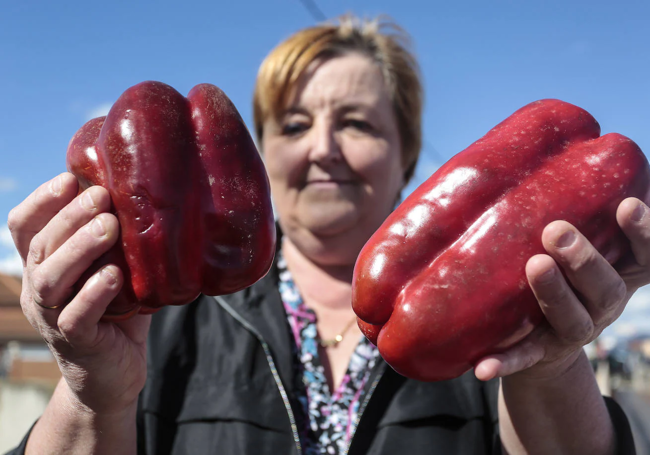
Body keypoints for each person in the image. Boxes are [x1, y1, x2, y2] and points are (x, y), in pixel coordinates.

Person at [7, 15, 644, 455]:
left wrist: (550, 366)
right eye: (292, 125)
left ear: (409, 153)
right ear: (248, 157)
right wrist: (95, 396)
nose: (322, 148)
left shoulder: (494, 318)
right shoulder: (171, 314)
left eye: (358, 124)